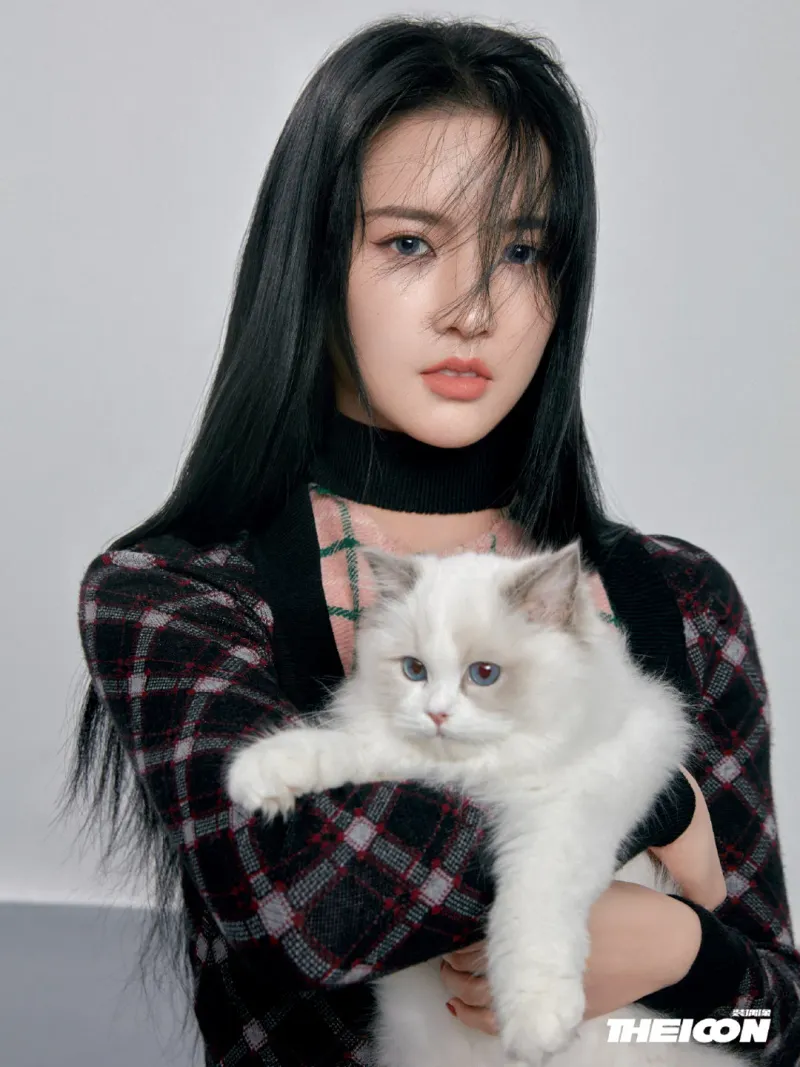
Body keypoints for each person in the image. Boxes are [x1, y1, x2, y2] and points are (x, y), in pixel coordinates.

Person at [64, 16, 799, 1067]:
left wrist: (688, 956)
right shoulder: (176, 592)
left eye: (522, 250)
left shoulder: (677, 597)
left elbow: (773, 1023)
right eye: (408, 243)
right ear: (315, 261)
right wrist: (647, 794)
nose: (473, 308)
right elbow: (303, 912)